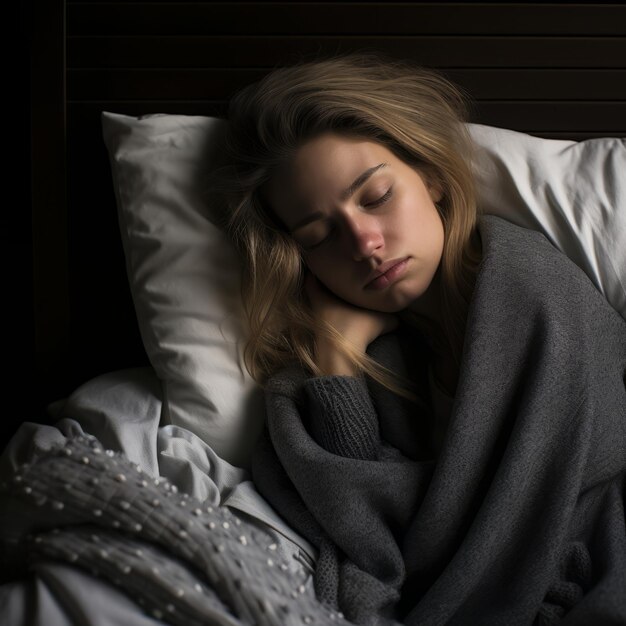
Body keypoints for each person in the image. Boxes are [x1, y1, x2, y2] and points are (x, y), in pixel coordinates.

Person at [216, 52, 626, 625]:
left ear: (430, 175)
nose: (363, 243)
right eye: (318, 234)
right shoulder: (372, 354)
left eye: (377, 197)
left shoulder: (532, 293)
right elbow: (359, 525)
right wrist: (337, 367)